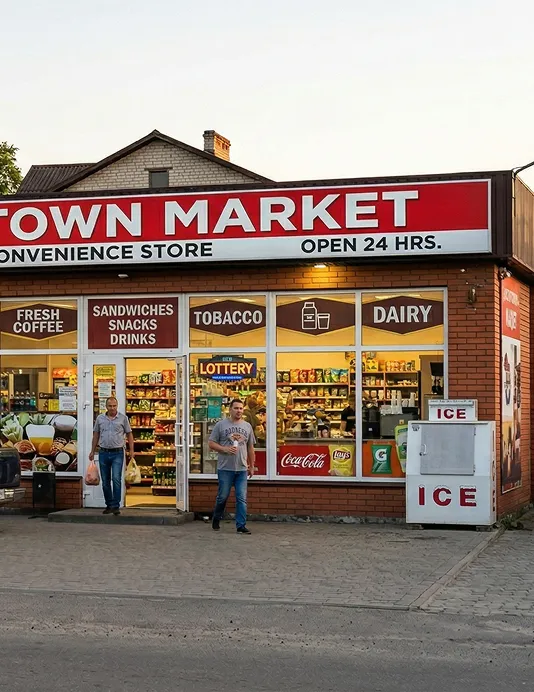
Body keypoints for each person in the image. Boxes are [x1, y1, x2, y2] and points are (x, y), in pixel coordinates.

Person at [209, 399, 255, 534]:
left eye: (241, 408)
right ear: (230, 410)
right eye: (236, 408)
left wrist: (251, 465)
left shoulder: (247, 426)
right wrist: (225, 449)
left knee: (241, 498)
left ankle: (241, 525)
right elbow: (211, 443)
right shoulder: (221, 425)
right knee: (222, 496)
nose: (239, 411)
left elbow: (250, 447)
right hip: (225, 468)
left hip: (241, 468)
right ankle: (216, 517)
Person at [89, 397, 135, 516]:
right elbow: (96, 435)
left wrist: (131, 450)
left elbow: (129, 435)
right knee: (105, 481)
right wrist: (92, 451)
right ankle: (109, 504)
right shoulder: (100, 419)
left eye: (114, 406)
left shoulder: (123, 418)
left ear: (117, 406)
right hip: (103, 452)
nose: (112, 408)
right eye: (110, 406)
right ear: (106, 406)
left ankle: (116, 505)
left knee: (116, 479)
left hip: (118, 453)